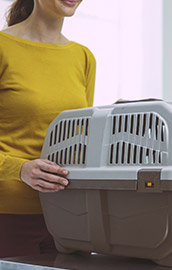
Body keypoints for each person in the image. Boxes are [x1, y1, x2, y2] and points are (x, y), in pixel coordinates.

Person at [0, 0, 95, 258]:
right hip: (8, 216)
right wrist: (20, 169)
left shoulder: (83, 57)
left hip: (70, 216)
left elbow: (84, 138)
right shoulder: (3, 48)